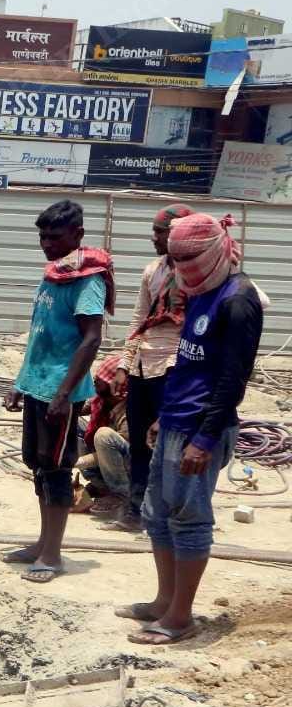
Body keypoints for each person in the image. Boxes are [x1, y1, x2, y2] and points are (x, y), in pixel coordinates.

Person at [123, 214, 263, 646]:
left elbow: (231, 379)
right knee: (157, 513)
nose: (182, 269)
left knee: (189, 519)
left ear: (215, 251)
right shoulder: (200, 291)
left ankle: (180, 617)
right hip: (175, 421)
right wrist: (163, 416)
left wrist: (203, 439)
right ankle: (165, 600)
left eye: (189, 259)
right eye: (176, 260)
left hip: (202, 428)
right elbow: (188, 362)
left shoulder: (238, 300)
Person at [2, 200, 112, 584]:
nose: (47, 243)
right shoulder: (54, 273)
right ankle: (41, 543)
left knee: (57, 468)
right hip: (38, 384)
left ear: (77, 235)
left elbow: (91, 339)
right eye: (42, 236)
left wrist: (64, 394)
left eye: (55, 236)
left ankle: (53, 554)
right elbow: (40, 333)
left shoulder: (87, 279)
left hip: (59, 392)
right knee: (38, 464)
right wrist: (20, 382)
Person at [111, 204, 195, 531]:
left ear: (177, 234)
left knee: (169, 445)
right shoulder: (153, 271)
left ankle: (166, 516)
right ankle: (136, 511)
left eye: (159, 231)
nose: (153, 237)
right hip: (144, 366)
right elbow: (139, 321)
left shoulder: (197, 274)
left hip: (175, 365)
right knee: (139, 442)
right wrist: (124, 365)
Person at [75, 354, 130, 513]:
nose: (95, 381)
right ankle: (101, 486)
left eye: (101, 379)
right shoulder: (101, 400)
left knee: (103, 435)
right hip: (106, 460)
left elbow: (117, 451)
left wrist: (77, 462)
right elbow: (78, 410)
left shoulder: (130, 412)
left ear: (115, 386)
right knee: (73, 423)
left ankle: (121, 494)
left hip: (127, 468)